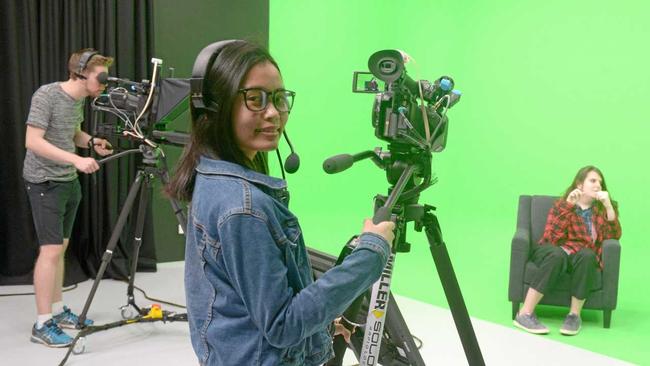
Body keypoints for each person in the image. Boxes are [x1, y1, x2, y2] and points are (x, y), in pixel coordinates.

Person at [166, 40, 395, 366]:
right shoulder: (243, 208)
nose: (273, 113)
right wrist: (371, 254)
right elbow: (283, 326)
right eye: (255, 99)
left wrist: (322, 324)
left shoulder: (214, 176)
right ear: (216, 106)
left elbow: (250, 303)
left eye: (278, 98)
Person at [23, 48, 114, 347]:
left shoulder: (77, 101)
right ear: (82, 73)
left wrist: (91, 142)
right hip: (45, 182)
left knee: (60, 250)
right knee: (49, 252)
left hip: (67, 181)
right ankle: (42, 323)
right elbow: (33, 141)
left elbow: (72, 133)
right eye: (100, 77)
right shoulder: (47, 95)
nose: (104, 83)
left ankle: (59, 311)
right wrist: (75, 161)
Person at [514, 166, 622, 336]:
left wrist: (608, 207)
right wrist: (568, 207)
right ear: (580, 184)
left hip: (579, 256)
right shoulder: (564, 204)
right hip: (553, 250)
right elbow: (552, 236)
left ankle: (574, 316)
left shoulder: (601, 210)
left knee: (588, 255)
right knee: (558, 255)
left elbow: (614, 236)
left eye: (600, 183)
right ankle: (525, 314)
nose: (598, 186)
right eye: (593, 181)